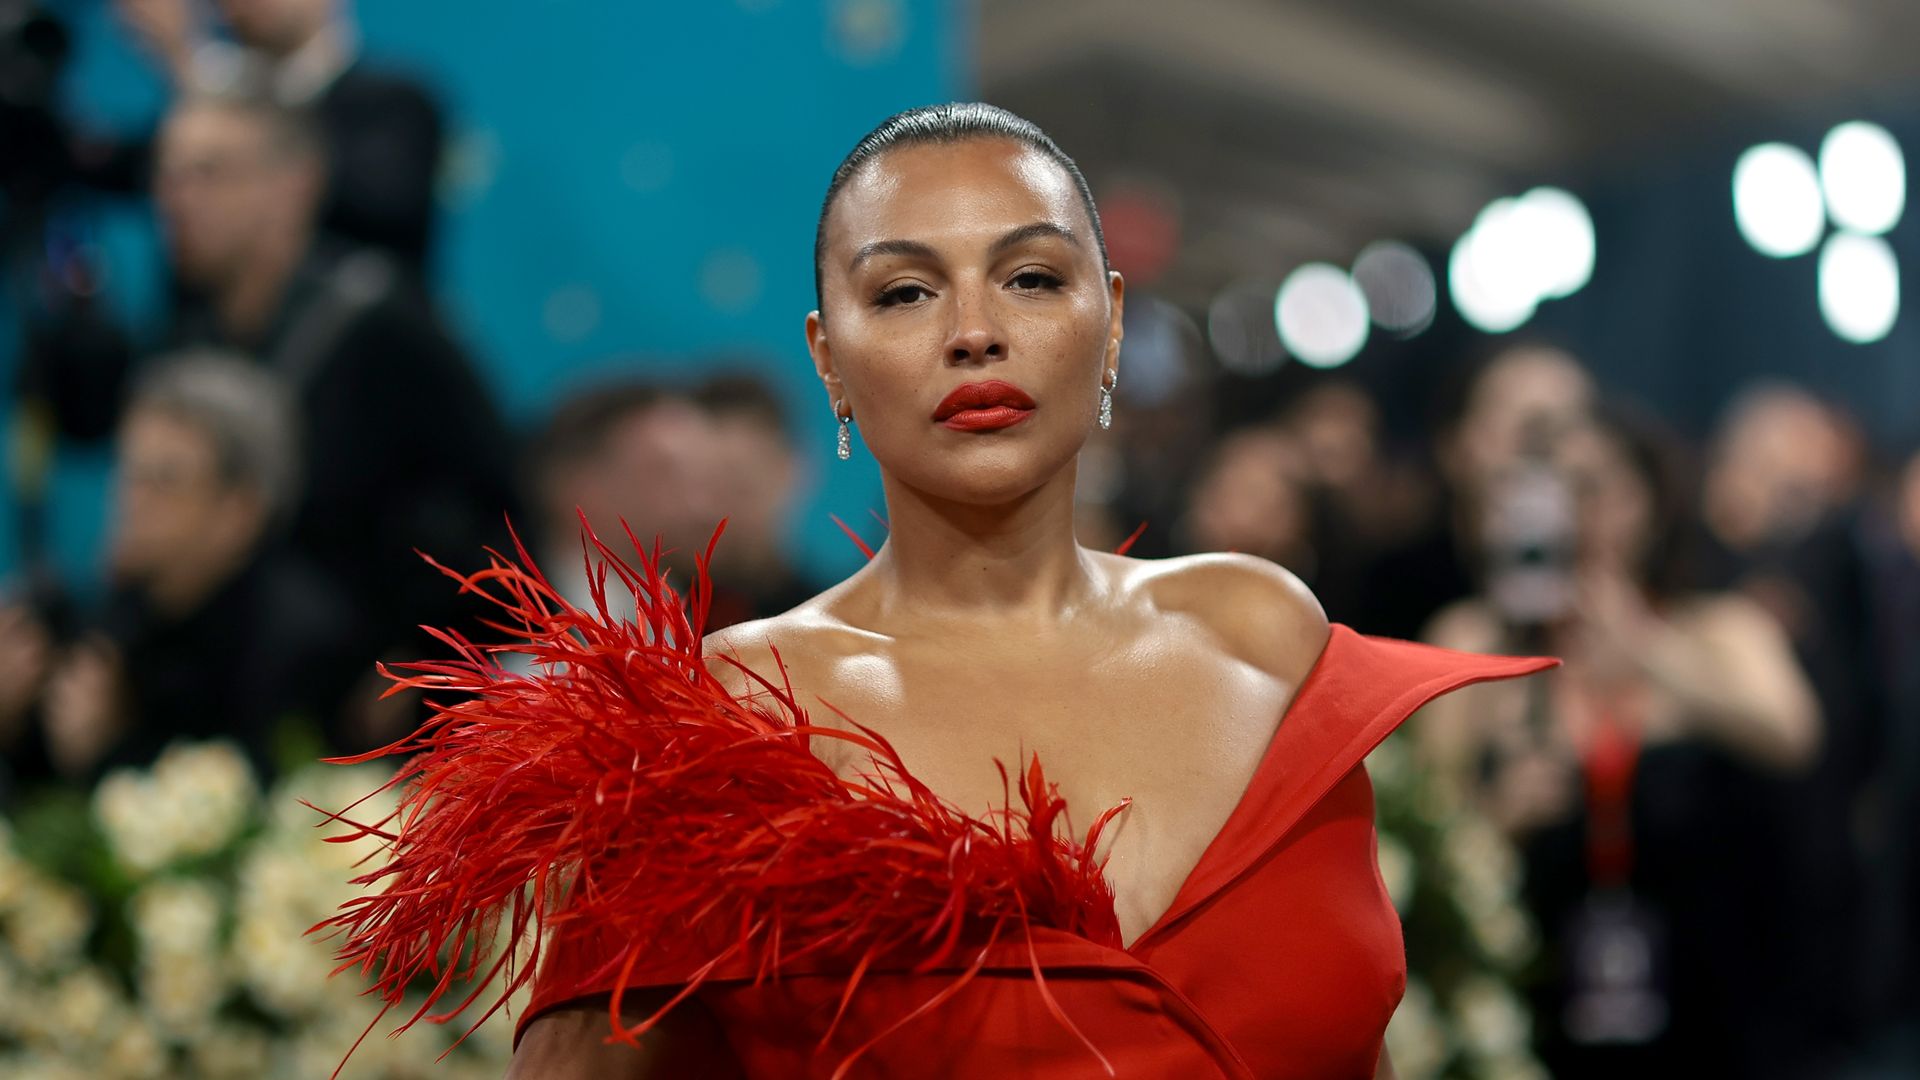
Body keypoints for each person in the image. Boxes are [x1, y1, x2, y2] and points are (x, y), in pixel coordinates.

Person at [324, 104, 1556, 1079]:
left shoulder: (1264, 633)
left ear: (1112, 326)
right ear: (830, 359)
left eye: (1032, 278)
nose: (975, 330)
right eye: (905, 292)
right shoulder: (729, 714)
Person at [1416, 405, 1820, 1079]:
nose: (1577, 513)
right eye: (1552, 490)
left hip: (1709, 1000)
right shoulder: (1476, 641)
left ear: (1650, 503)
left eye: (1594, 487)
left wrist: (1646, 651)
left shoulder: (1716, 628)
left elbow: (1793, 735)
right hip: (1532, 1002)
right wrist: (1500, 817)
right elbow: (1425, 844)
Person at [152, 84, 517, 698]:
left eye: (209, 172)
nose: (175, 198)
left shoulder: (383, 323)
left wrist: (423, 664)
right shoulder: (187, 343)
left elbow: (498, 514)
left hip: (383, 703)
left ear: (296, 185)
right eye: (166, 174)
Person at [0, 353, 360, 785]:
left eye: (163, 480)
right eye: (129, 472)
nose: (132, 500)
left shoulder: (302, 645)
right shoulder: (119, 612)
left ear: (240, 510)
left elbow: (259, 804)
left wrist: (113, 754)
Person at [113, 0, 444, 270]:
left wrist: (190, 64)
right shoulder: (195, 109)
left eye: (209, 172)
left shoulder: (395, 103)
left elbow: (373, 204)